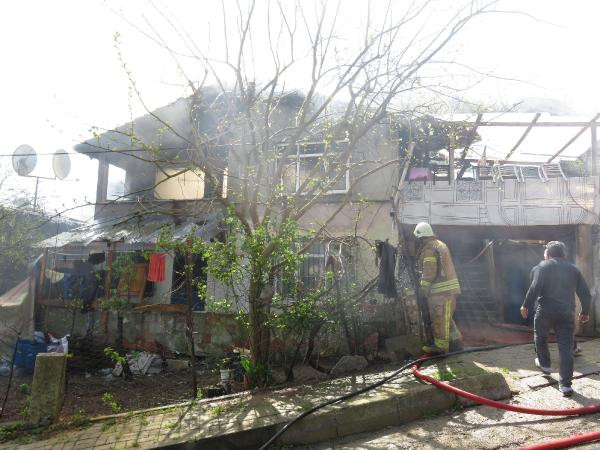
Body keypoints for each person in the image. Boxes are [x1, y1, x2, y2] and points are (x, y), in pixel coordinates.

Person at [520, 241, 591, 397]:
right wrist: (585, 311)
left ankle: (545, 365)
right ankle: (565, 385)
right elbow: (585, 292)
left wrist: (525, 305)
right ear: (564, 254)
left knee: (541, 336)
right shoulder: (573, 269)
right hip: (566, 312)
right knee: (566, 348)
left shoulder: (542, 267)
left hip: (545, 310)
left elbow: (534, 287)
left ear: (548, 254)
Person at [414, 222, 464, 354]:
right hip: (448, 292)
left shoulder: (429, 249)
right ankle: (456, 344)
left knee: (439, 320)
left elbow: (429, 271)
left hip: (441, 293)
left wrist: (423, 289)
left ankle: (441, 348)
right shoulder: (440, 245)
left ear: (421, 237)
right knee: (447, 320)